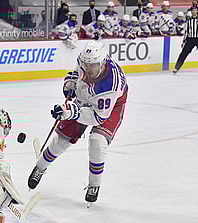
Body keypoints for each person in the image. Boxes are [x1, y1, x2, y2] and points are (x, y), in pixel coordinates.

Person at [27, 40, 128, 206]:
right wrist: (71, 82)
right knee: (62, 140)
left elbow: (97, 117)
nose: (88, 69)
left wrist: (71, 112)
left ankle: (94, 185)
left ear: (102, 63)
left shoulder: (111, 85)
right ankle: (40, 167)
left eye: (93, 66)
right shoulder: (86, 60)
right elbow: (77, 73)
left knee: (97, 141)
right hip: (87, 96)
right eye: (86, 64)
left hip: (109, 106)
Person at [173, 6, 198, 74]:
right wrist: (184, 41)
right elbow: (187, 31)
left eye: (195, 10)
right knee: (183, 53)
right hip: (190, 39)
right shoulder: (189, 20)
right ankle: (176, 68)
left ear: (197, 11)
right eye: (192, 10)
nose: (193, 12)